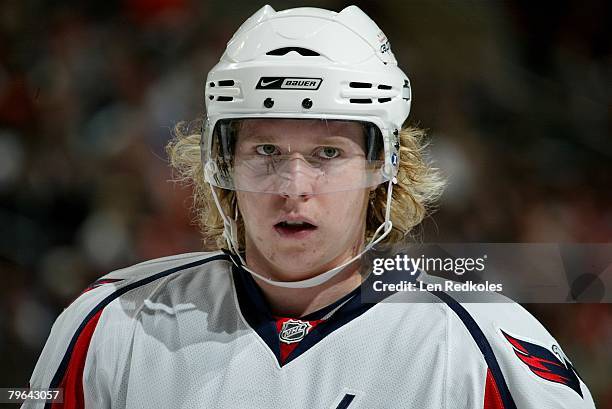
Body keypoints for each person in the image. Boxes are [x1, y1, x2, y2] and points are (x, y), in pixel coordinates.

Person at [25, 5, 595, 409]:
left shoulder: (486, 344)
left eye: (327, 153)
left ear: (383, 169)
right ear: (220, 163)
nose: (293, 185)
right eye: (266, 151)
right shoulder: (107, 324)